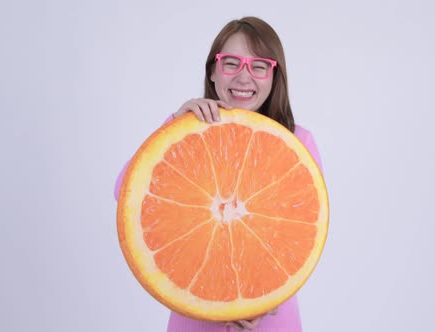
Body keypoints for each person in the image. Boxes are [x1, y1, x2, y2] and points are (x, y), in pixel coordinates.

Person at [114, 16, 323, 332]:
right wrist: (174, 124)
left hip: (268, 320)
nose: (243, 77)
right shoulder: (188, 135)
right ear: (212, 71)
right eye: (231, 63)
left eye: (259, 66)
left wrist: (266, 305)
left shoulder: (298, 144)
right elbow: (124, 192)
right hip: (195, 312)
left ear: (273, 75)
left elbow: (299, 236)